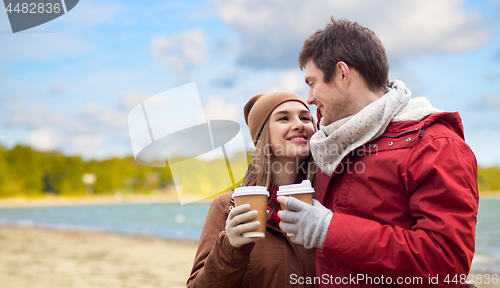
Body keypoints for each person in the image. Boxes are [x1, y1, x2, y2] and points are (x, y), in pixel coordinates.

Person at [277, 18, 479, 288]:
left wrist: (329, 229)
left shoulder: (436, 145)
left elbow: (446, 265)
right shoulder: (330, 144)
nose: (310, 97)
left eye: (312, 83)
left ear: (342, 74)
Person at [187, 91, 318, 288]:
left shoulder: (329, 198)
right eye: (283, 118)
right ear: (263, 135)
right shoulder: (228, 205)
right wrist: (231, 247)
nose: (299, 124)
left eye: (306, 118)